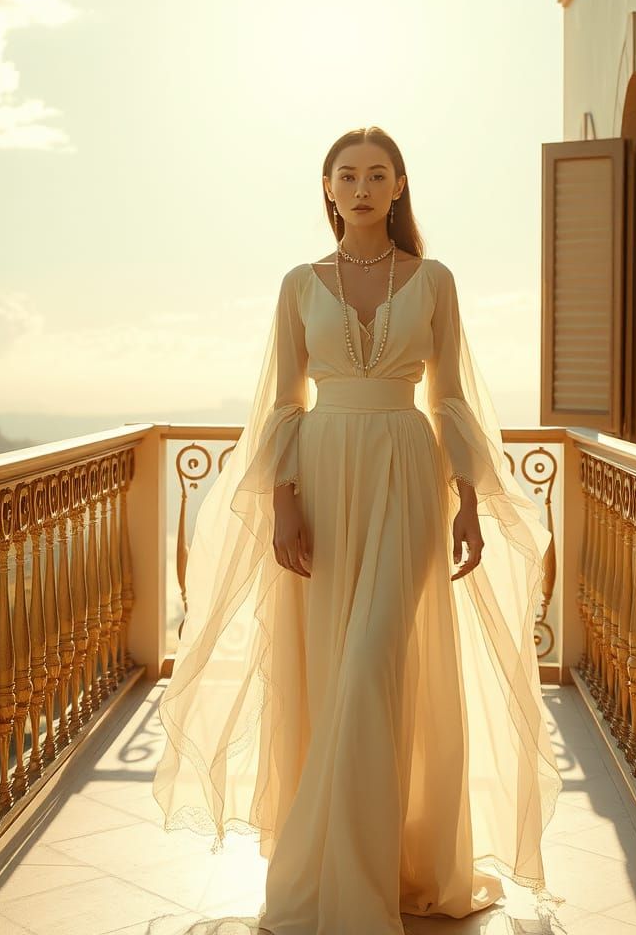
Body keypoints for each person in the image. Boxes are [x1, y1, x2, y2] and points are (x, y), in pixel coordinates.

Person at [153, 126, 562, 935]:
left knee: (374, 665)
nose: (363, 187)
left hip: (407, 477)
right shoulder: (299, 285)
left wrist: (469, 501)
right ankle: (334, 870)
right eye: (348, 175)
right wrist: (283, 502)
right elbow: (284, 402)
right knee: (334, 673)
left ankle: (361, 878)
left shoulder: (433, 280)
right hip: (324, 479)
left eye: (378, 174)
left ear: (399, 186)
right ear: (329, 188)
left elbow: (449, 398)